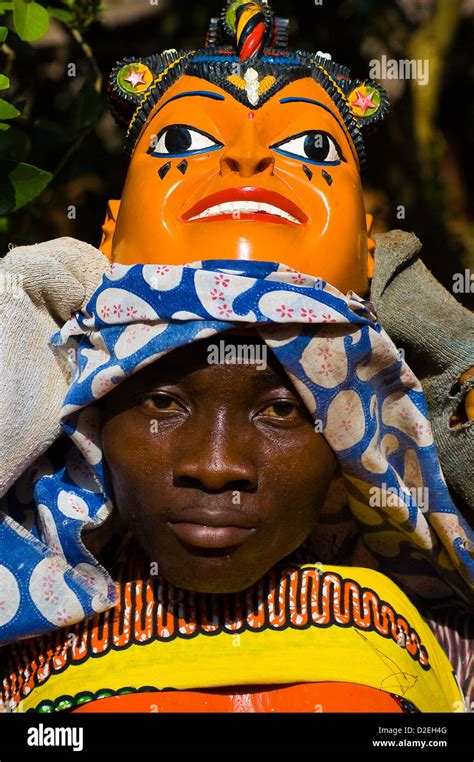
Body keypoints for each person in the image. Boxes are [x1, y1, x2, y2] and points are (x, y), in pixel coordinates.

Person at [0, 0, 472, 712]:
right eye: (161, 401)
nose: (215, 463)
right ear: (110, 237)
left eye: (284, 408)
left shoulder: (422, 635)